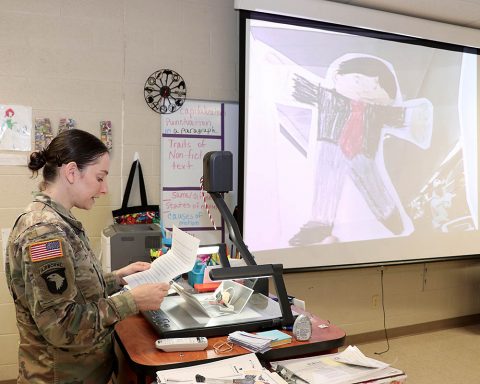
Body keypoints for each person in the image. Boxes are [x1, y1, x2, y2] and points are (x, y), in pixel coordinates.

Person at [5, 129, 171, 383]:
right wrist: (132, 301)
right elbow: (61, 326)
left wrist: (118, 279)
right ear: (72, 172)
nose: (104, 189)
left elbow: (74, 290)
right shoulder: (44, 233)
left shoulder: (58, 221)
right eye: (100, 177)